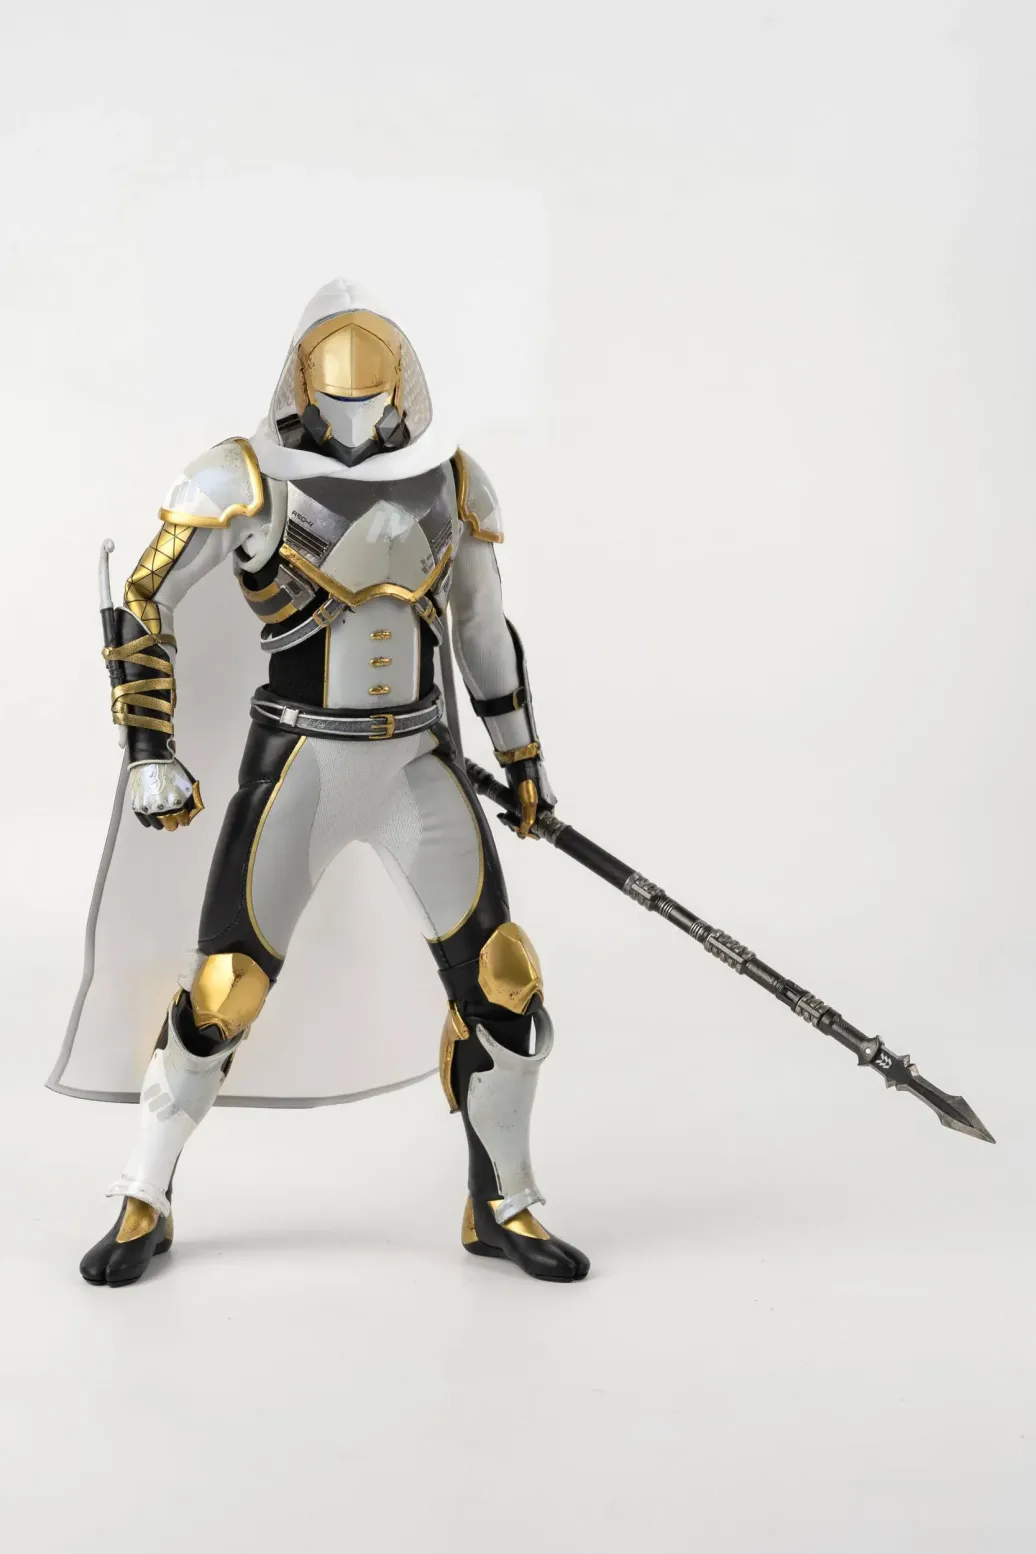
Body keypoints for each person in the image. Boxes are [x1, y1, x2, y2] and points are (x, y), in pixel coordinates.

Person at [57, 280, 589, 1288]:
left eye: (373, 400)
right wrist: (149, 749)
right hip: (298, 764)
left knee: (504, 985)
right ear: (303, 392)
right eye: (340, 400)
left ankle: (502, 1202)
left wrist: (523, 758)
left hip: (417, 764)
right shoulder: (243, 477)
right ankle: (143, 1193)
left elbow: (481, 629)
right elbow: (145, 599)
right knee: (223, 991)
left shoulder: (454, 481)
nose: (357, 421)